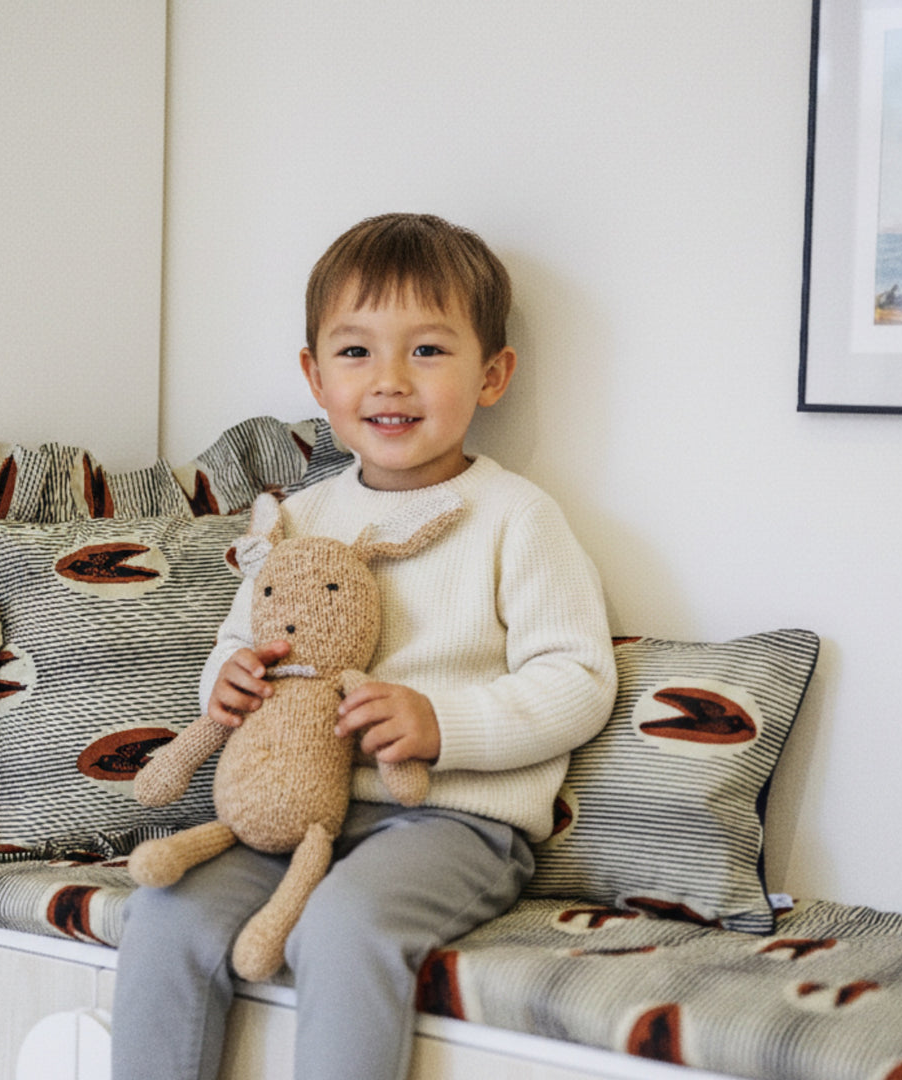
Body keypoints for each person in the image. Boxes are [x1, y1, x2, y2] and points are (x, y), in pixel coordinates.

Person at [111, 212, 617, 1080]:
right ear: (314, 374)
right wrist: (224, 685)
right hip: (292, 808)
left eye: (427, 351)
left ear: (492, 374)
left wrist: (442, 722)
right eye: (355, 353)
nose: (390, 380)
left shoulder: (516, 518)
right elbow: (244, 636)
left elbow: (577, 679)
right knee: (165, 913)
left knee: (343, 928)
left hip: (449, 823)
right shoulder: (301, 516)